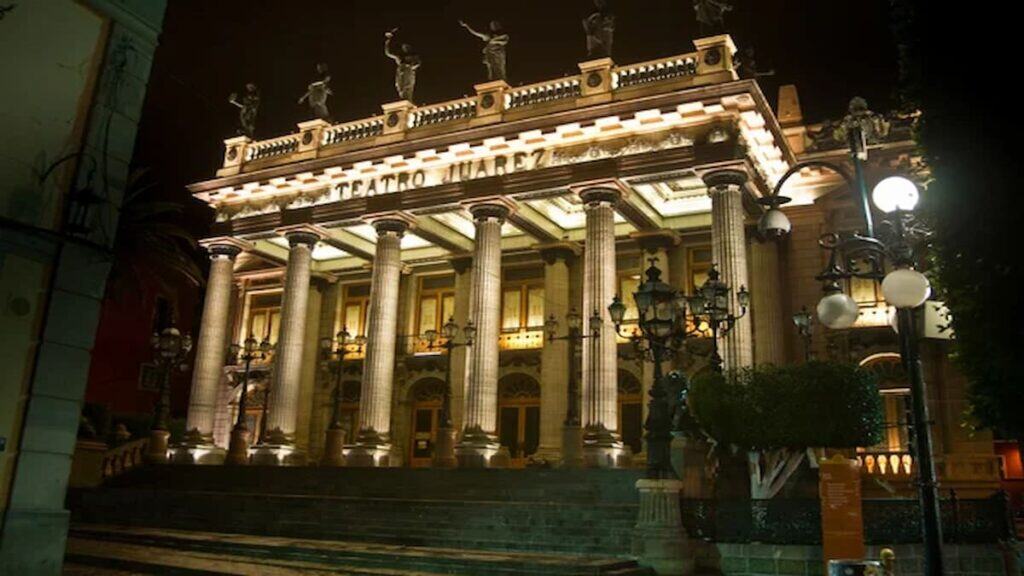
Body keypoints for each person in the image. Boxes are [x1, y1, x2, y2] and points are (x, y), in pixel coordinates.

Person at [384, 28, 422, 102]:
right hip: (400, 71)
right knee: (399, 86)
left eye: (406, 47)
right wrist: (388, 41)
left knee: (407, 86)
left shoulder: (414, 56)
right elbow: (388, 53)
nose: (405, 48)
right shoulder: (400, 57)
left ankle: (407, 100)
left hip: (408, 71)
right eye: (404, 47)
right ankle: (402, 99)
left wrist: (410, 66)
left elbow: (418, 63)